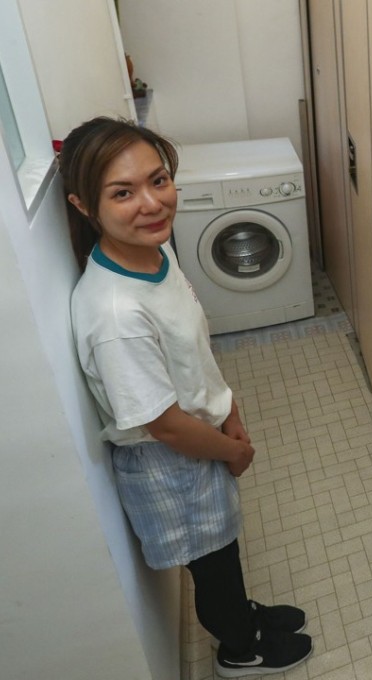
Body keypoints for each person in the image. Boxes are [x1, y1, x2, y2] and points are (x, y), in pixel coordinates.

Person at [61, 117, 313, 677]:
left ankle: (243, 616)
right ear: (83, 205)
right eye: (123, 192)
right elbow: (165, 425)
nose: (152, 203)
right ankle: (238, 650)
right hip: (171, 459)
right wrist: (233, 451)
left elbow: (193, 348)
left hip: (202, 434)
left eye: (159, 180)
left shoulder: (156, 254)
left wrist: (233, 415)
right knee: (213, 565)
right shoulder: (115, 315)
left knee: (224, 549)